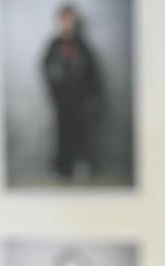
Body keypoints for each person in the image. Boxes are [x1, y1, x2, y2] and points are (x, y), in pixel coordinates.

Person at [41, 6, 103, 182]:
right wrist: (54, 86)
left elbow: (93, 72)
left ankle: (81, 165)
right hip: (62, 98)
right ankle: (63, 168)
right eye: (64, 20)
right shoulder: (54, 44)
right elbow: (45, 67)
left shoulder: (82, 45)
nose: (68, 24)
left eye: (71, 20)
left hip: (80, 98)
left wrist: (93, 96)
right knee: (62, 132)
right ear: (59, 22)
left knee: (81, 133)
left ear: (75, 22)